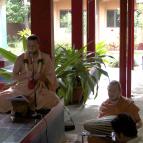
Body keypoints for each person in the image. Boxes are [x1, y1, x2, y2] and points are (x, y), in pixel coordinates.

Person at [0, 34, 60, 113]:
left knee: (53, 99)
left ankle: (25, 107)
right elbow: (14, 77)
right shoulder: (21, 58)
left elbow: (52, 79)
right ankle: (24, 107)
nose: (31, 48)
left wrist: (42, 77)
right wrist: (25, 75)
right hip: (21, 89)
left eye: (33, 46)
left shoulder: (45, 58)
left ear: (38, 45)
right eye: (29, 46)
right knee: (1, 98)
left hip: (39, 89)